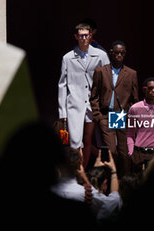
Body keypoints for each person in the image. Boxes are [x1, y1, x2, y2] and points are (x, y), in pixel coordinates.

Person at [58, 22, 110, 170]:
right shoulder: (67, 58)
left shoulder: (101, 55)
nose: (83, 38)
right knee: (74, 142)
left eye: (86, 35)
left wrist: (105, 103)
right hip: (74, 103)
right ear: (76, 36)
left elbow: (108, 80)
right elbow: (62, 85)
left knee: (89, 139)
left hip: (93, 104)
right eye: (81, 35)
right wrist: (62, 112)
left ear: (91, 36)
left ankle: (83, 173)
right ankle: (76, 174)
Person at [90, 40, 139, 178]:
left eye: (122, 53)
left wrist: (131, 117)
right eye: (116, 52)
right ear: (111, 52)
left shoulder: (131, 73)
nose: (119, 55)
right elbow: (93, 96)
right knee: (112, 151)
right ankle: (110, 180)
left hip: (121, 116)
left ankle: (123, 182)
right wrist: (98, 116)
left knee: (124, 154)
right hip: (106, 115)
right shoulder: (101, 71)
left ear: (125, 54)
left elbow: (135, 100)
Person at [127, 77, 154, 174]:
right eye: (150, 88)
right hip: (139, 153)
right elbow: (130, 134)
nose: (153, 91)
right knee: (138, 183)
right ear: (144, 89)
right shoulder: (134, 108)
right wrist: (131, 153)